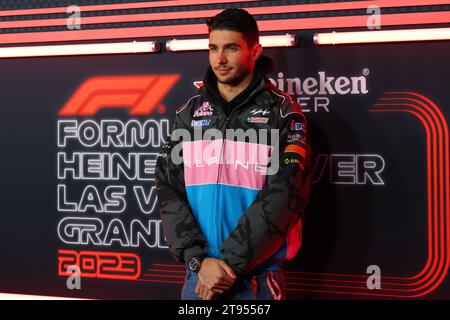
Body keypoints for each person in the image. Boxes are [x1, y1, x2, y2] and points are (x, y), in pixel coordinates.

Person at [155, 8, 312, 300]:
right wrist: (199, 261)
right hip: (199, 278)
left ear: (255, 51)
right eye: (213, 48)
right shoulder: (189, 113)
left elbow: (286, 195)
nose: (220, 59)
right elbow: (168, 188)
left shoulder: (283, 113)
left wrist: (229, 265)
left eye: (231, 48)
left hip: (256, 281)